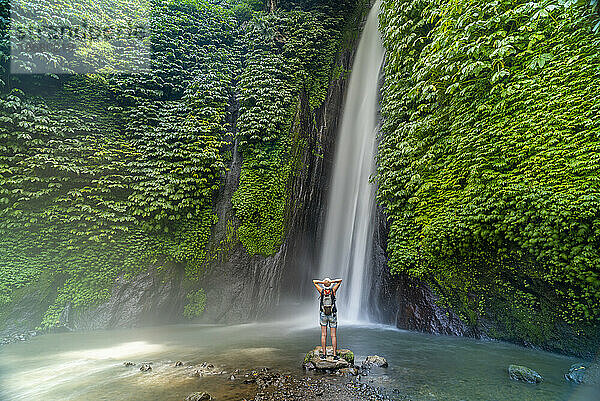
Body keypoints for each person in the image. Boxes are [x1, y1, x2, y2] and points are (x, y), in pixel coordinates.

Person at [312, 277, 342, 360]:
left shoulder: (321, 291)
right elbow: (340, 281)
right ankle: (335, 355)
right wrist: (330, 282)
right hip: (333, 314)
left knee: (323, 335)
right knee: (333, 336)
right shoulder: (333, 290)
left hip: (323, 314)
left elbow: (314, 282)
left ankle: (324, 355)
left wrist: (323, 282)